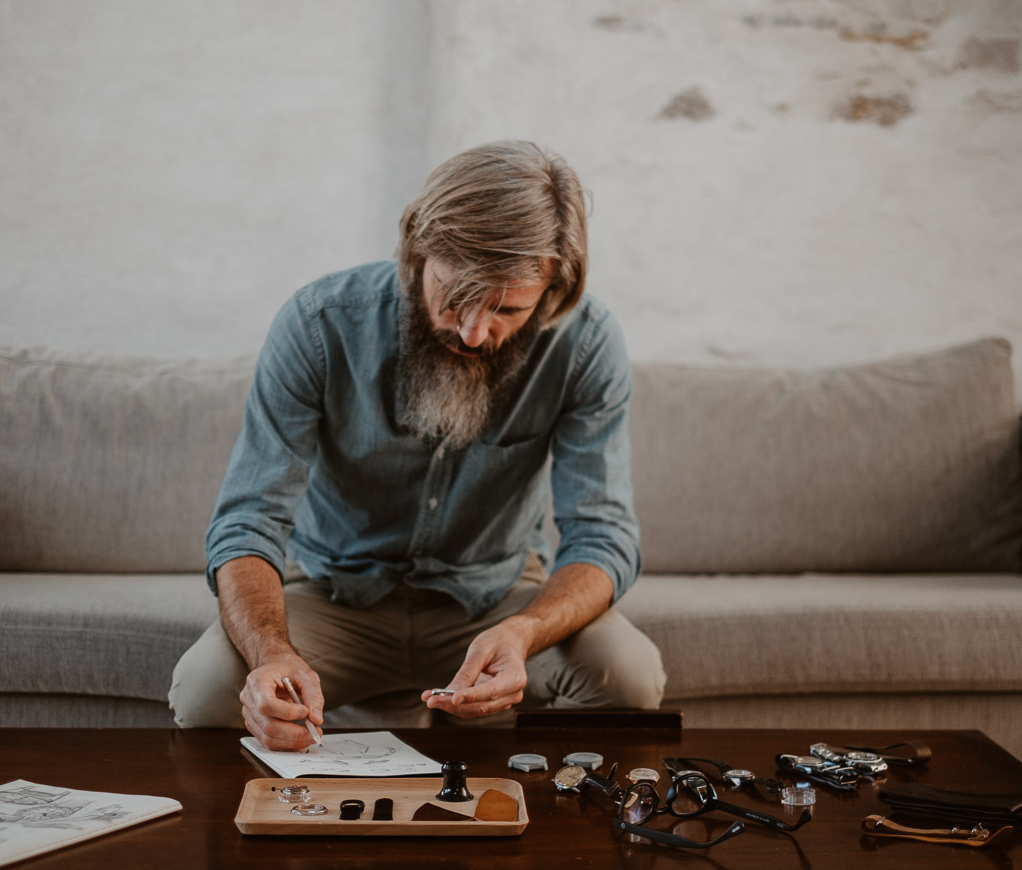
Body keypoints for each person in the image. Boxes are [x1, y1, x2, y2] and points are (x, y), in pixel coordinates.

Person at [168, 140, 665, 749]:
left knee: (630, 678)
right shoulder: (318, 324)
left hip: (496, 596)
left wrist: (523, 632)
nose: (474, 331)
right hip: (333, 591)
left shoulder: (586, 345)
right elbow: (249, 519)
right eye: (454, 297)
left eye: (507, 308)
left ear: (552, 290)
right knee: (206, 689)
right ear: (416, 251)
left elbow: (603, 534)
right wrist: (272, 653)